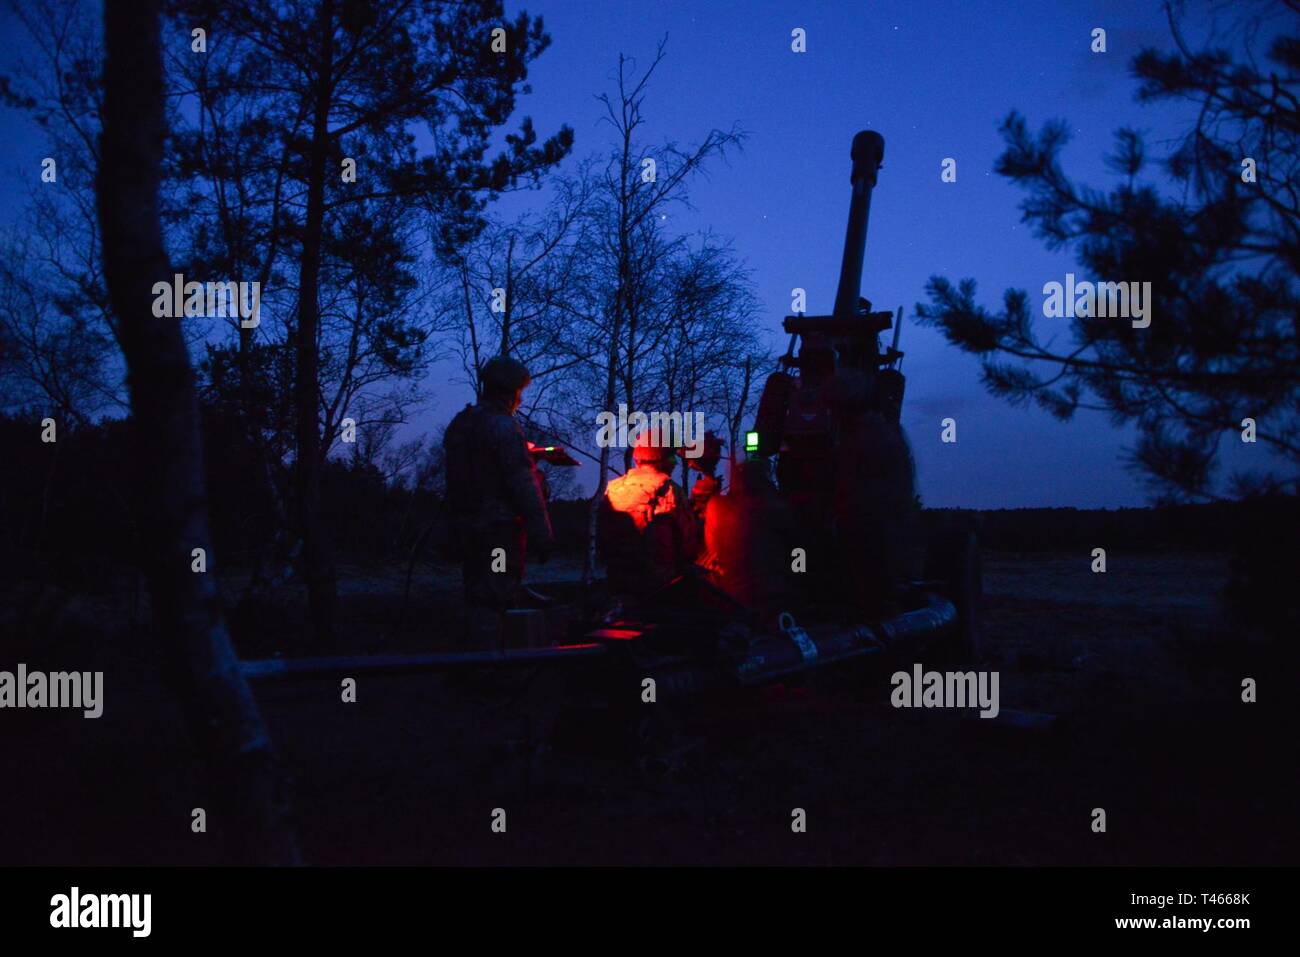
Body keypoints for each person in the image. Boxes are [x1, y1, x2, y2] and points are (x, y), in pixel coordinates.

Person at [443, 356, 554, 648]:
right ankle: (487, 669)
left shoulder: (463, 422)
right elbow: (522, 484)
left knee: (475, 592)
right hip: (498, 533)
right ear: (510, 391)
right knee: (494, 595)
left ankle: (468, 663)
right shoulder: (504, 427)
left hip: (466, 529)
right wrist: (542, 533)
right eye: (519, 392)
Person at [598, 432, 700, 599]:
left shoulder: (613, 488)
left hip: (618, 581)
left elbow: (602, 536)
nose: (675, 463)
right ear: (664, 459)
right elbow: (689, 543)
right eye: (673, 457)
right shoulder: (670, 490)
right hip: (661, 584)